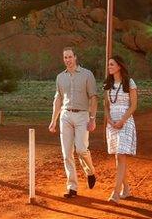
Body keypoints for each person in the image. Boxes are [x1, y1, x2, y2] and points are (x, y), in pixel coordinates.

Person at [48, 47, 98, 198]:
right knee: (66, 153)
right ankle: (72, 187)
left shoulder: (87, 74)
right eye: (65, 57)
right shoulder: (60, 77)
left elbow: (94, 97)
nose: (68, 60)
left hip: (82, 115)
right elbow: (58, 99)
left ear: (75, 57)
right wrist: (53, 120)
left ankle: (90, 171)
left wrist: (93, 118)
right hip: (65, 116)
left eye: (70, 57)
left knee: (81, 149)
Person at [103, 55, 138, 204]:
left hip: (125, 122)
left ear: (119, 66)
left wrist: (122, 120)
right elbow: (105, 106)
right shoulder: (107, 84)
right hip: (112, 123)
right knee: (118, 157)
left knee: (121, 155)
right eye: (109, 65)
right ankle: (127, 189)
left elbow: (134, 105)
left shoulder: (129, 82)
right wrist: (110, 120)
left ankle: (116, 193)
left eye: (112, 64)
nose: (109, 67)